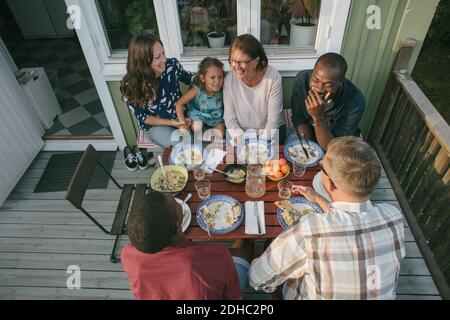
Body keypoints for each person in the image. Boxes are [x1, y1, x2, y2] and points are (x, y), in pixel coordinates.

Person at [249, 136, 405, 299]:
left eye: (322, 165)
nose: (320, 165)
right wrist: (318, 199)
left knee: (271, 248)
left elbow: (257, 280)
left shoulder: (310, 230)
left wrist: (254, 259)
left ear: (328, 183)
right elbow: (351, 225)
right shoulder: (394, 216)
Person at [121, 191, 252, 300]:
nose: (178, 202)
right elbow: (233, 297)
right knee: (247, 244)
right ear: (179, 226)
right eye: (175, 202)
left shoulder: (127, 254)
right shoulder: (217, 256)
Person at [121, 32, 194, 148]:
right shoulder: (131, 85)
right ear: (142, 61)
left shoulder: (171, 66)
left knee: (197, 137)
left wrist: (215, 77)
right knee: (180, 144)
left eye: (163, 53)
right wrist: (174, 123)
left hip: (180, 114)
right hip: (157, 124)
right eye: (158, 57)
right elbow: (143, 117)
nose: (164, 59)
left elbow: (190, 78)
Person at [285, 52, 366, 150]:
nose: (319, 88)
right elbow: (299, 119)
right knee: (291, 155)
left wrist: (318, 117)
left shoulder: (355, 101)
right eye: (315, 80)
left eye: (328, 85)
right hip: (307, 131)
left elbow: (332, 147)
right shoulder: (302, 80)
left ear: (340, 83)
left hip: (335, 140)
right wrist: (311, 150)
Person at [223, 34, 286, 144]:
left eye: (242, 62)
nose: (235, 66)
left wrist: (259, 146)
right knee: (233, 159)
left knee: (268, 159)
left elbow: (273, 120)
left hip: (270, 132)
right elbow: (230, 118)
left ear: (256, 60)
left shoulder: (273, 77)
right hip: (241, 132)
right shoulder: (229, 80)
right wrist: (243, 141)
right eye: (232, 60)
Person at [175, 57, 225, 143]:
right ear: (203, 78)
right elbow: (179, 103)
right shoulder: (197, 90)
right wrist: (182, 123)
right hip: (199, 114)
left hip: (215, 116)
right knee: (197, 127)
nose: (217, 81)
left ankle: (211, 139)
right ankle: (200, 137)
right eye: (212, 77)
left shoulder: (223, 89)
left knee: (220, 134)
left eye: (220, 77)